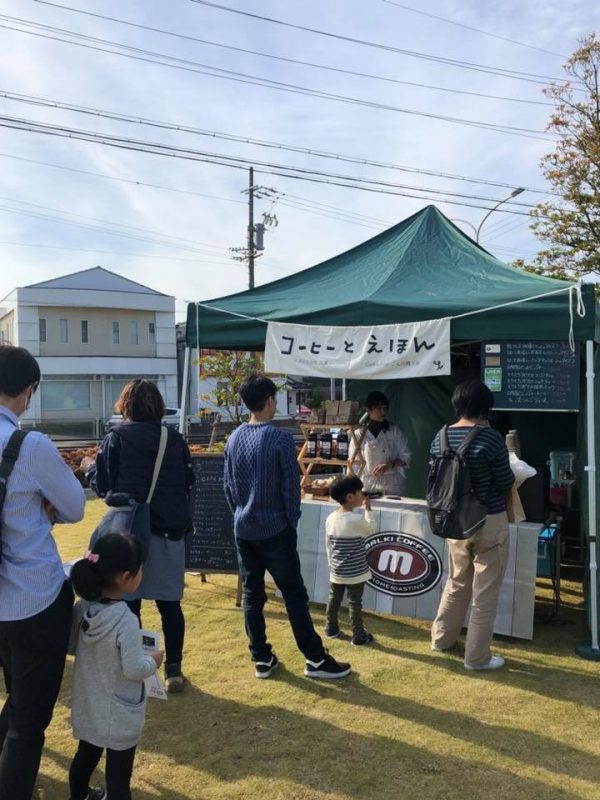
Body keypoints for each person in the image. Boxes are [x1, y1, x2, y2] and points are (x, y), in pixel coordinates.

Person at [223, 374, 351, 680]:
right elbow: (290, 489)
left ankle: (261, 658)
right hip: (274, 529)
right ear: (269, 400)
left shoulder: (234, 437)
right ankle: (315, 658)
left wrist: (241, 513)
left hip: (244, 527)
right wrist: (289, 522)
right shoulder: (279, 438)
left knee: (254, 595)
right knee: (294, 594)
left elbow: (227, 486)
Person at [0, 345, 85, 800]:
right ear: (29, 389)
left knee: (17, 700)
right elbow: (73, 506)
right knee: (30, 717)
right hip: (33, 597)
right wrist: (42, 507)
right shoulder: (27, 445)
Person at [86, 379, 194, 693]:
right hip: (167, 530)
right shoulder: (173, 439)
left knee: (129, 604)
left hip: (128, 531)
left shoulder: (116, 438)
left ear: (126, 405)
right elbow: (188, 480)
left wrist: (91, 469)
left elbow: (104, 486)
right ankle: (173, 667)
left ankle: (134, 663)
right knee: (170, 604)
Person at [68, 533, 162, 800]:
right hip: (119, 711)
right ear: (125, 577)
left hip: (89, 702)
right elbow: (134, 669)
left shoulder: (83, 607)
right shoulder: (125, 620)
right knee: (118, 778)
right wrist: (153, 661)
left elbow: (72, 645)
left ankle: (79, 794)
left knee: (85, 755)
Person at [430, 379, 515, 671]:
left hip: (453, 520)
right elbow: (505, 481)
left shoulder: (439, 437)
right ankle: (476, 658)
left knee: (455, 583)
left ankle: (441, 639)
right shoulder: (490, 439)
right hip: (488, 519)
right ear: (484, 408)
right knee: (485, 593)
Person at [325, 475, 376, 646]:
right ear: (350, 497)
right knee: (355, 602)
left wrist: (331, 565)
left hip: (337, 570)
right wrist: (368, 510)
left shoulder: (331, 518)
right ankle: (358, 635)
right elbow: (371, 530)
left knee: (334, 599)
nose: (363, 495)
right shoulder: (355, 519)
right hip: (356, 571)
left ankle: (330, 628)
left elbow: (328, 545)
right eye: (360, 492)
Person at [350, 390, 411, 496]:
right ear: (368, 410)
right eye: (379, 408)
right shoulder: (358, 434)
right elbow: (354, 463)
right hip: (368, 485)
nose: (383, 412)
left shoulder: (394, 431)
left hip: (392, 485)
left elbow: (406, 455)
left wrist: (389, 465)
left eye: (385, 408)